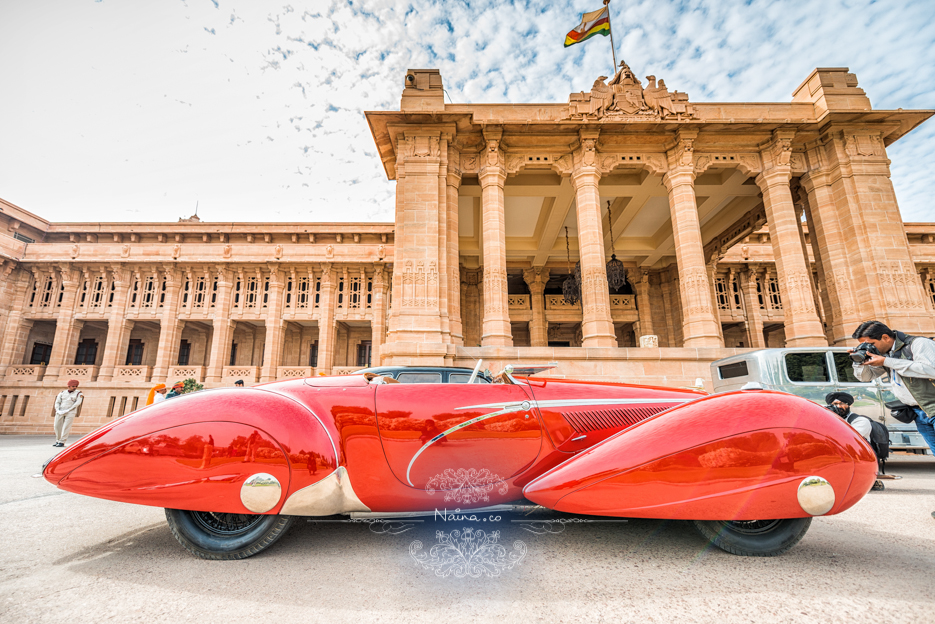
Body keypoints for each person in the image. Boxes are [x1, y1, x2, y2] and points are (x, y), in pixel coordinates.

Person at [851, 320, 935, 457]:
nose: (869, 348)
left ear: (885, 337)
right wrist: (859, 362)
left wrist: (887, 362)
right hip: (919, 412)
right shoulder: (886, 353)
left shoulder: (918, 344)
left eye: (871, 344)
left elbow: (931, 369)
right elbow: (867, 377)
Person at [824, 391, 888, 490]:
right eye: (835, 404)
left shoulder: (860, 421)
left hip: (857, 456)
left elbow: (848, 440)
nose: (838, 407)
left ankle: (869, 477)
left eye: (841, 404)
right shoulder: (828, 420)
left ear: (848, 405)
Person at [53, 380, 84, 447]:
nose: (74, 387)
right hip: (60, 411)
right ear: (68, 386)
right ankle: (58, 440)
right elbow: (57, 402)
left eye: (76, 386)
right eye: (73, 386)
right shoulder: (62, 393)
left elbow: (77, 403)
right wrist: (57, 410)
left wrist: (69, 409)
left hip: (70, 412)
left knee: (66, 426)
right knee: (57, 426)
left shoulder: (79, 394)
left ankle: (62, 441)